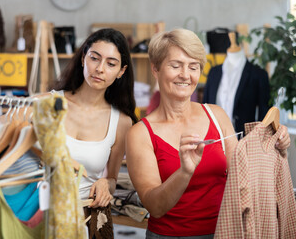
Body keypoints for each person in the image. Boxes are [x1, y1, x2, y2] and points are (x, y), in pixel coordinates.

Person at [125, 28, 291, 238]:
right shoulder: (139, 134)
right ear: (155, 69)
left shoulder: (216, 115)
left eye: (193, 67)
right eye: (175, 65)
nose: (185, 75)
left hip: (226, 232)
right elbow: (155, 207)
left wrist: (274, 144)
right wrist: (185, 172)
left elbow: (243, 176)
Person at [51, 28, 138, 209]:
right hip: (36, 211)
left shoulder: (121, 122)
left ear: (121, 71)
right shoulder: (47, 103)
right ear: (84, 58)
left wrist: (106, 184)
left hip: (83, 216)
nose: (100, 69)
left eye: (111, 64)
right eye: (94, 58)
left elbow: (112, 178)